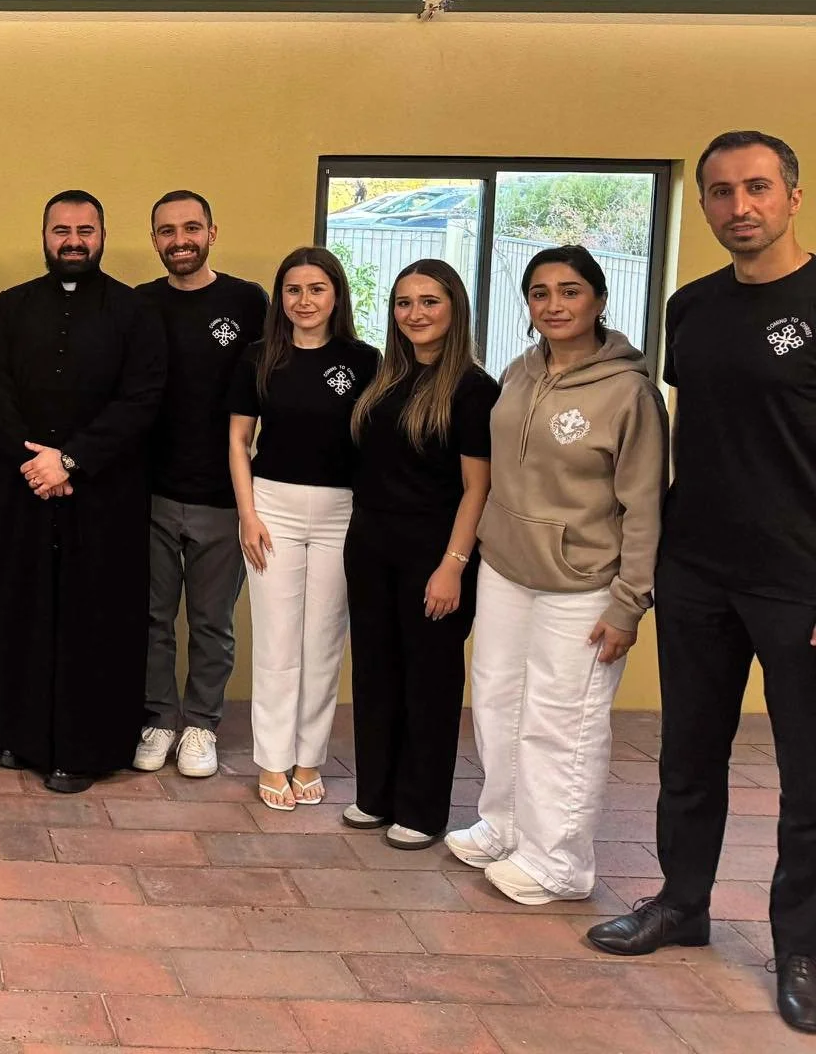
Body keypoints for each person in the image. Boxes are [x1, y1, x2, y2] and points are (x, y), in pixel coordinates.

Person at [589, 130, 815, 1034]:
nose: (738, 208)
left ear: (794, 195)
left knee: (807, 777)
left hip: (799, 581)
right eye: (720, 193)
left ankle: (800, 944)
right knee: (688, 756)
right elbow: (698, 435)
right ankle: (682, 905)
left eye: (756, 188)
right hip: (699, 573)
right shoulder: (690, 308)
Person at [446, 245, 663, 906]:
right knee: (499, 703)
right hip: (508, 570)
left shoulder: (629, 391)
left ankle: (560, 861)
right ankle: (508, 826)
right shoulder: (519, 372)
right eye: (540, 293)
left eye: (569, 291)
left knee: (561, 721)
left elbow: (646, 503)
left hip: (583, 584)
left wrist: (629, 603)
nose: (554, 305)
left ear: (598, 299)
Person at [0, 190, 166, 794]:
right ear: (45, 236)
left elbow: (142, 398)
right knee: (24, 609)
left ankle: (87, 750)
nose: (73, 241)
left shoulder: (133, 311)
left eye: (85, 230)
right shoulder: (10, 308)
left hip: (105, 493)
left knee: (96, 620)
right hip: (23, 488)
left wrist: (72, 460)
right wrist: (35, 462)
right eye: (61, 230)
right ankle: (23, 735)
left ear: (103, 235)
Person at [342, 259, 497, 849]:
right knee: (376, 672)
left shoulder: (474, 389)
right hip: (372, 544)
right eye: (404, 303)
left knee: (428, 680)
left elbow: (478, 488)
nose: (416, 314)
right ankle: (375, 794)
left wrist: (453, 566)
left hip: (436, 551)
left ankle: (424, 808)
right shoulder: (384, 378)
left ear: (454, 308)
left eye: (429, 301)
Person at [228, 246, 379, 812]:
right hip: (272, 509)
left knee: (322, 641)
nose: (305, 300)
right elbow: (239, 442)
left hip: (343, 512)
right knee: (276, 640)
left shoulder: (365, 361)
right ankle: (272, 759)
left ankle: (308, 756)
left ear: (336, 294)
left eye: (317, 289)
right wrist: (248, 514)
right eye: (294, 290)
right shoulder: (258, 358)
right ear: (281, 299)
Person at [133, 190, 268, 780]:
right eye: (167, 231)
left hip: (222, 494)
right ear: (154, 238)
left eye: (191, 227)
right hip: (150, 492)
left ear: (213, 231)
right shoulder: (138, 305)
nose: (179, 240)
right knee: (152, 617)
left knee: (213, 622)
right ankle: (160, 717)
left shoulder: (247, 301)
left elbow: (274, 386)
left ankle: (201, 726)